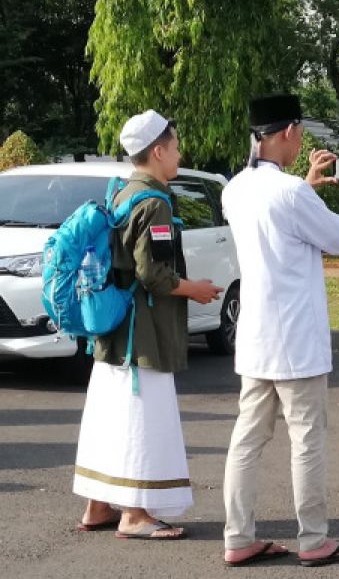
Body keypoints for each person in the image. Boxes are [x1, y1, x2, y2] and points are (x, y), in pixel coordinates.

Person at [220, 94, 339, 568]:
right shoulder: (289, 193)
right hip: (296, 341)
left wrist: (304, 185)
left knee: (247, 439)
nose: (302, 140)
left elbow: (275, 226)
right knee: (307, 439)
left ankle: (238, 535)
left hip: (256, 336)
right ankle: (314, 538)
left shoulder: (234, 188)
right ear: (288, 132)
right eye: (301, 132)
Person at [73, 111, 225, 539]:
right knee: (142, 418)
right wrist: (193, 288)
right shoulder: (155, 201)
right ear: (157, 152)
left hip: (114, 331)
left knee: (110, 414)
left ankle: (98, 506)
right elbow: (152, 274)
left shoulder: (121, 192)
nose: (179, 154)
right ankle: (136, 515)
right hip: (144, 335)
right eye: (175, 147)